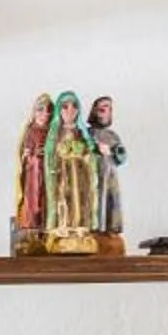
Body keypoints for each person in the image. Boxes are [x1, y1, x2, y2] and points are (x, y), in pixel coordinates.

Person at [43, 91, 99, 249]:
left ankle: (80, 227)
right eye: (65, 107)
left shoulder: (81, 132)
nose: (70, 110)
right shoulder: (55, 132)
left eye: (74, 106)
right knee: (64, 199)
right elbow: (50, 154)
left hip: (80, 174)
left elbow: (90, 152)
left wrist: (84, 154)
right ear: (59, 111)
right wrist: (60, 156)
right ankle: (63, 227)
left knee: (79, 199)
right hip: (62, 174)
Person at [12, 94, 52, 251]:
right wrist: (29, 155)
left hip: (48, 174)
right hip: (32, 173)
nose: (45, 114)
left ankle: (46, 232)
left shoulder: (52, 132)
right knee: (32, 202)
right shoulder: (29, 130)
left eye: (49, 111)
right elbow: (22, 152)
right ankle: (30, 230)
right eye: (41, 110)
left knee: (46, 201)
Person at [87, 95, 127, 239]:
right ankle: (94, 227)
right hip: (93, 172)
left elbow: (122, 156)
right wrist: (94, 147)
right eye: (101, 107)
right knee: (95, 198)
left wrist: (112, 151)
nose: (104, 111)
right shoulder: (87, 134)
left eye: (108, 108)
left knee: (111, 197)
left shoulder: (112, 136)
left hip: (110, 171)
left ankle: (112, 228)